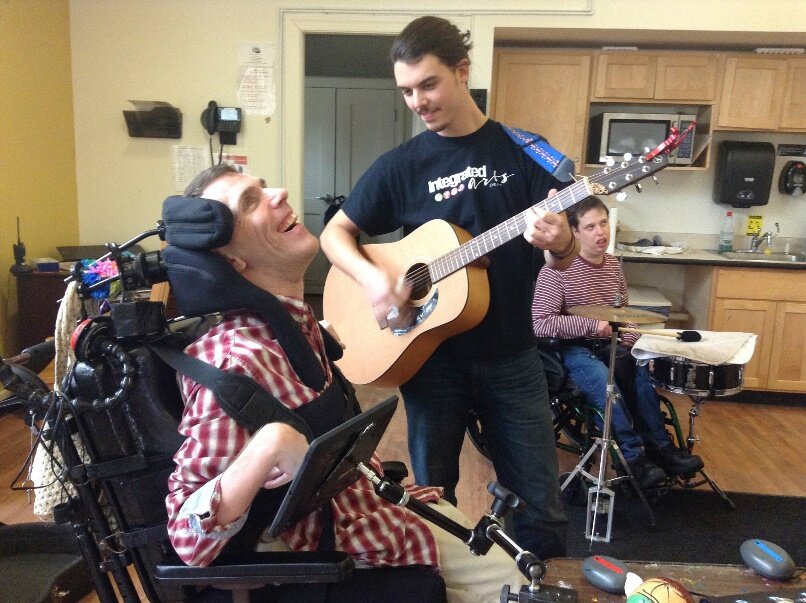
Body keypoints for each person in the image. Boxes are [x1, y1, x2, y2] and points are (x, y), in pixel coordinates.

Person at [165, 164, 527, 603]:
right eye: (249, 203)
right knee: (517, 591)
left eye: (262, 186)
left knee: (517, 577)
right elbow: (187, 541)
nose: (278, 193)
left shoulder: (296, 328)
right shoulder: (236, 361)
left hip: (375, 507)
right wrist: (269, 445)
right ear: (233, 261)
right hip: (343, 557)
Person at [320, 16, 575, 559]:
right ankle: (449, 584)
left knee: (541, 501)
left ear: (462, 72)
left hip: (511, 355)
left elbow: (567, 250)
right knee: (434, 495)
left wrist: (560, 241)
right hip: (427, 356)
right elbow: (335, 233)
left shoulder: (526, 152)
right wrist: (376, 279)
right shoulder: (401, 166)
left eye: (428, 84)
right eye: (407, 90)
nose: (418, 101)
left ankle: (539, 586)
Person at [531, 196, 703, 489]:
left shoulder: (612, 265)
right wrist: (592, 326)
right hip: (570, 348)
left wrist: (632, 337)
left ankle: (661, 449)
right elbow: (540, 323)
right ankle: (633, 459)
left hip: (608, 342)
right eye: (590, 227)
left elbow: (624, 313)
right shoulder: (554, 271)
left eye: (603, 223)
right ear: (573, 232)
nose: (600, 232)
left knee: (639, 369)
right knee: (601, 379)